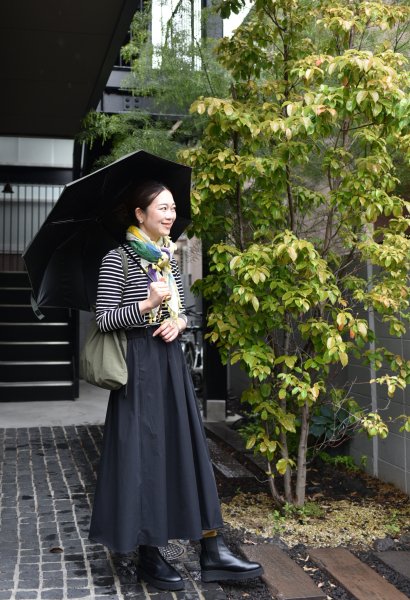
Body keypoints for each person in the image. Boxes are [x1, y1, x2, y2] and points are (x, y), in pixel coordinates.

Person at [89, 180, 263, 591]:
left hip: (170, 363)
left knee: (187, 448)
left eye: (172, 209)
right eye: (162, 208)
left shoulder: (166, 258)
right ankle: (150, 551)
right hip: (139, 367)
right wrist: (147, 306)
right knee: (145, 455)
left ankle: (212, 549)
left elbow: (184, 311)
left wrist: (178, 321)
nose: (169, 215)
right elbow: (103, 319)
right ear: (139, 213)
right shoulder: (117, 259)